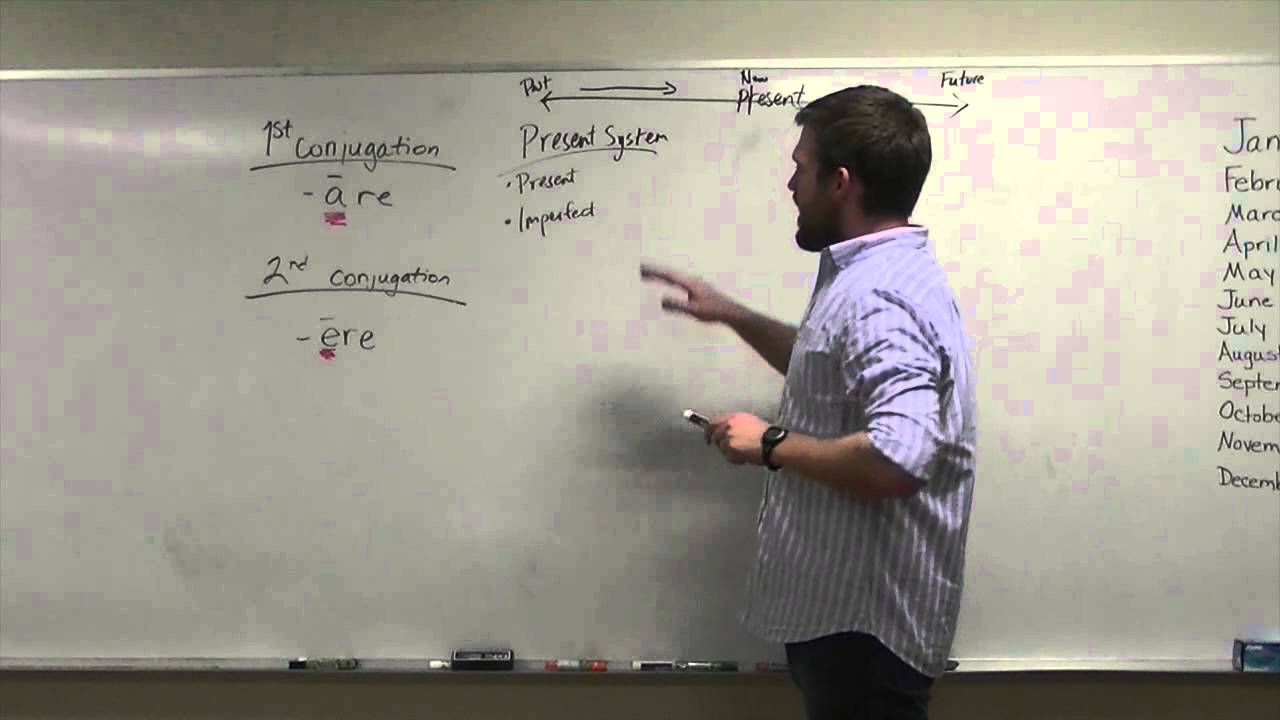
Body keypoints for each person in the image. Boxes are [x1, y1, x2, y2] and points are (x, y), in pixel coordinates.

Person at [641, 85, 976, 720]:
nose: (791, 185)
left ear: (839, 182)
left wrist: (769, 444)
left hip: (865, 635)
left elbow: (898, 460)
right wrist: (734, 315)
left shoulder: (878, 295)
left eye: (800, 168)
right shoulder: (877, 277)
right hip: (854, 629)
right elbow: (828, 367)